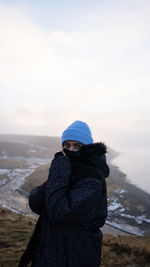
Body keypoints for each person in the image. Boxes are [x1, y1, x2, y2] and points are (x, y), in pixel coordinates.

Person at [18, 120, 110, 267]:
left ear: (87, 149)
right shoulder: (68, 170)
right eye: (67, 145)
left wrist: (60, 169)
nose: (71, 150)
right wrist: (59, 175)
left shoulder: (92, 178)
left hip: (74, 255)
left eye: (77, 146)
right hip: (50, 249)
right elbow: (35, 203)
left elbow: (59, 212)